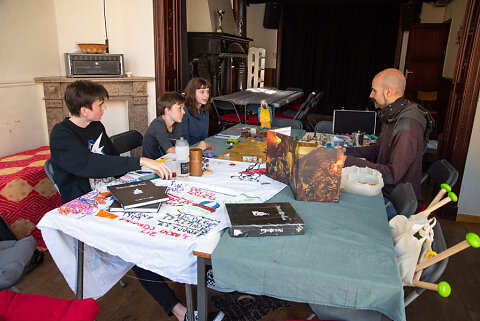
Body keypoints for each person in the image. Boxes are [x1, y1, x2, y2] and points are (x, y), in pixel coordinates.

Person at [49, 81, 222, 321]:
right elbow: (88, 164)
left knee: (172, 207)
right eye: (100, 104)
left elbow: (110, 158)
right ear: (83, 110)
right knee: (138, 244)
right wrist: (139, 162)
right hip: (86, 206)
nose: (104, 108)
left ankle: (197, 270)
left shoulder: (96, 124)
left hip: (112, 191)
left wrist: (138, 181)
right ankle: (182, 312)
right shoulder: (61, 134)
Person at [341, 68, 433, 219]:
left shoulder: (407, 128)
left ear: (388, 92)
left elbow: (392, 175)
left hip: (395, 203)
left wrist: (348, 161)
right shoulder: (393, 114)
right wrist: (346, 152)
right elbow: (378, 149)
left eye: (374, 91)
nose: (371, 95)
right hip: (385, 191)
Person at [143, 92, 186, 159]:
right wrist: (196, 149)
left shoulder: (177, 125)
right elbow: (170, 150)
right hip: (151, 165)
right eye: (179, 108)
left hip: (167, 161)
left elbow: (177, 148)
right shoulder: (157, 125)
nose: (183, 112)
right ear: (167, 110)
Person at [181, 78, 213, 150]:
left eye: (207, 92)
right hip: (189, 150)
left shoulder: (205, 110)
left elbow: (205, 137)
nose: (206, 95)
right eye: (202, 92)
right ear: (192, 93)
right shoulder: (183, 111)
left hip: (202, 148)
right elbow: (183, 141)